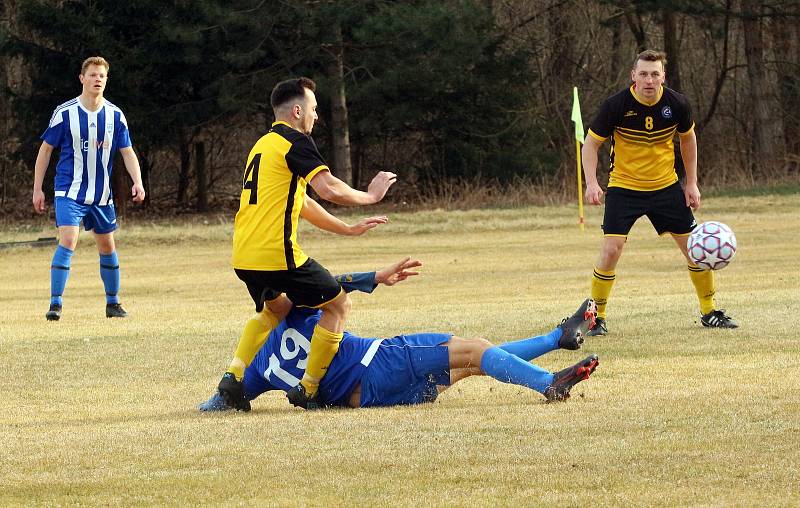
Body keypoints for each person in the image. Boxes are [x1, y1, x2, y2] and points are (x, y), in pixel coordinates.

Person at [200, 257, 600, 411]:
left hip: (367, 400)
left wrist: (213, 402)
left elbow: (223, 400)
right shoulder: (302, 306)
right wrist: (376, 276)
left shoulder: (255, 368)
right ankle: (551, 384)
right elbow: (336, 284)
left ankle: (556, 338)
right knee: (476, 350)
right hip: (380, 362)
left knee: (474, 363)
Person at [218, 76, 397, 412]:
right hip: (277, 255)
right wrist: (371, 196)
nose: (316, 116)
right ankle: (309, 389)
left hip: (244, 255)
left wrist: (347, 229)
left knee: (278, 309)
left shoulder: (263, 145)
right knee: (338, 305)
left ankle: (233, 375)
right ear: (297, 110)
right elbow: (327, 188)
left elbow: (302, 204)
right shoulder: (294, 142)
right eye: (314, 109)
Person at [581, 49, 737, 336]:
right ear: (633, 76)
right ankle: (597, 317)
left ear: (663, 76)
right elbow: (590, 145)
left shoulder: (677, 104)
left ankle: (709, 311)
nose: (649, 80)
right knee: (611, 249)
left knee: (695, 250)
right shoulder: (615, 105)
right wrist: (591, 182)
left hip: (666, 187)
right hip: (624, 188)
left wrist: (691, 183)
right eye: (643, 74)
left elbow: (688, 140)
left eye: (655, 74)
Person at [32, 56, 145, 321]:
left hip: (101, 194)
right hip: (69, 191)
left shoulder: (115, 115)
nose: (97, 79)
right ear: (82, 78)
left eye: (101, 76)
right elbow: (45, 150)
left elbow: (127, 152)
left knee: (107, 246)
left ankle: (113, 304)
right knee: (69, 239)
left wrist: (137, 181)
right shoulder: (65, 113)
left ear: (106, 80)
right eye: (92, 75)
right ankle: (55, 304)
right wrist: (38, 188)